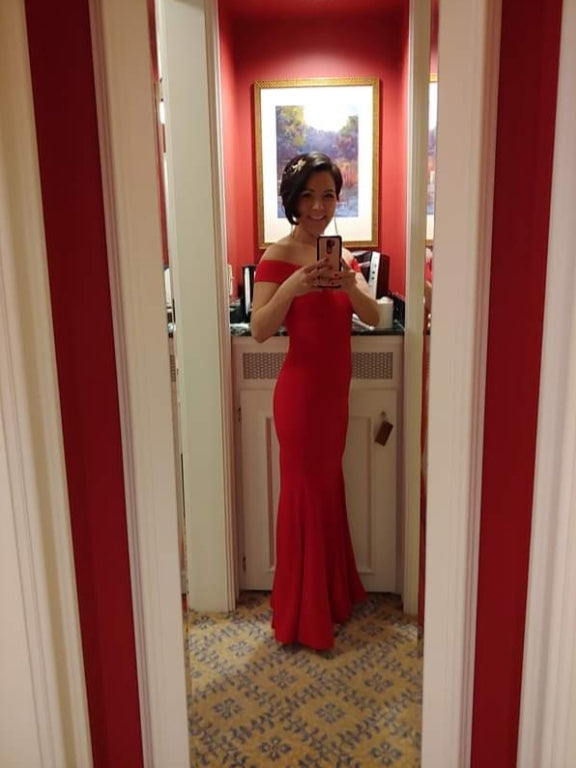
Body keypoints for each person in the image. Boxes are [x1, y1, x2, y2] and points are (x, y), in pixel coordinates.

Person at [250, 151, 379, 650]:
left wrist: (350, 284)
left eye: (327, 195)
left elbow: (374, 316)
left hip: (333, 402)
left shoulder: (342, 258)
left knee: (326, 492)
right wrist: (291, 287)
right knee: (304, 496)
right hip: (301, 399)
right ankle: (302, 615)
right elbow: (260, 329)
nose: (318, 206)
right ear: (292, 200)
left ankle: (329, 597)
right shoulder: (276, 256)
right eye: (308, 195)